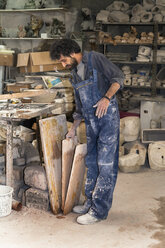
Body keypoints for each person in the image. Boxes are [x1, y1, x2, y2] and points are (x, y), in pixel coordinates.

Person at [50, 39, 124, 225]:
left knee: (105, 164)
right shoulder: (74, 74)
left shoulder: (95, 59)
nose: (63, 64)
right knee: (91, 162)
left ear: (72, 53)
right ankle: (90, 202)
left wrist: (106, 98)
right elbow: (80, 106)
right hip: (91, 121)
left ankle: (99, 211)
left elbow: (119, 78)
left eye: (63, 60)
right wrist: (73, 129)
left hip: (107, 117)